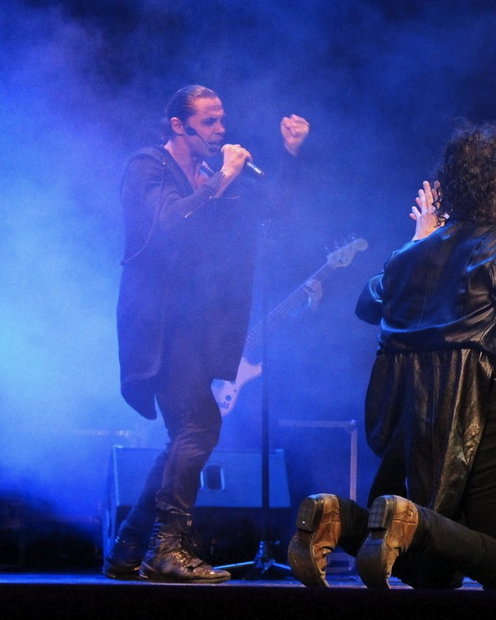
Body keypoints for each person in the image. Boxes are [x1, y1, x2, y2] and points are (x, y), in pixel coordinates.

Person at [287, 122, 496, 590]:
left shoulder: (410, 255)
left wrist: (419, 240)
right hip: (482, 417)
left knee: (430, 570)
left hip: (411, 421)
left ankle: (339, 517)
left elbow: (368, 303)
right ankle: (408, 520)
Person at [104, 85, 310, 582]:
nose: (221, 131)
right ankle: (166, 548)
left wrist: (290, 156)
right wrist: (222, 177)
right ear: (179, 125)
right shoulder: (148, 167)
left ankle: (129, 546)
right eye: (209, 122)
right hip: (159, 327)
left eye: (221, 120)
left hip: (197, 328)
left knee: (186, 432)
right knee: (199, 425)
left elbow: (275, 212)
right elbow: (168, 225)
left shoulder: (216, 177)